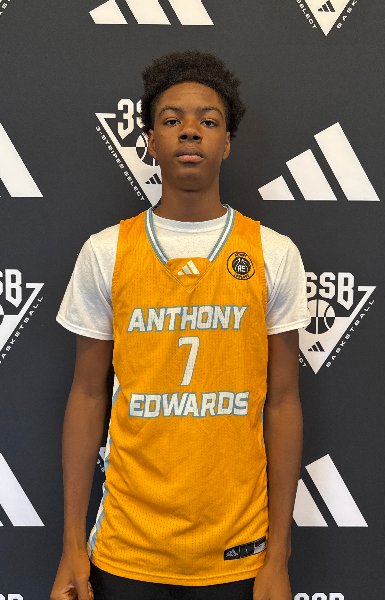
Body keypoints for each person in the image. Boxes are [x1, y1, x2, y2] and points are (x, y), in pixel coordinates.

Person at [50, 50, 310, 600]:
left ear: (226, 143)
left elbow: (284, 401)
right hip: (127, 547)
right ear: (150, 140)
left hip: (239, 551)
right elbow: (87, 395)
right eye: (172, 120)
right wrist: (72, 545)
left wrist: (278, 556)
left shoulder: (272, 253)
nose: (190, 131)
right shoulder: (106, 252)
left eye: (208, 121)